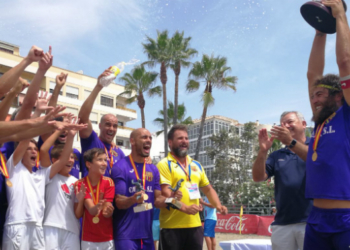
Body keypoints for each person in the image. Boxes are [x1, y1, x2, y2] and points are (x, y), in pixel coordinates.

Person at [304, 0, 350, 248]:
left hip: (346, 219)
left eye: (320, 94)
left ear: (338, 95)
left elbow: (345, 63)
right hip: (316, 218)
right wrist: (320, 27)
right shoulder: (320, 122)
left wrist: (340, 14)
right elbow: (313, 74)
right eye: (312, 95)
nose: (314, 99)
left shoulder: (346, 114)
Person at [1, 117, 85, 250]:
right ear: (22, 153)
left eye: (35, 149)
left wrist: (71, 136)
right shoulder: (14, 168)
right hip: (17, 225)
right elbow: (25, 140)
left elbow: (63, 160)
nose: (34, 151)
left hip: (38, 228)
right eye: (29, 149)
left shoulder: (42, 175)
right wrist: (39, 119)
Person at [157, 124, 227, 250]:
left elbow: (208, 189)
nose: (184, 141)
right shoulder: (164, 164)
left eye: (186, 138)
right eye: (180, 138)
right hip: (171, 228)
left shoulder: (196, 165)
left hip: (195, 227)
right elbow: (167, 195)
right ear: (170, 142)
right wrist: (185, 208)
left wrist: (218, 205)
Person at [112, 128, 185, 250]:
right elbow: (119, 202)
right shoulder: (120, 167)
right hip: (126, 236)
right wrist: (133, 199)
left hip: (147, 236)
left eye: (150, 138)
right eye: (144, 137)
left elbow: (157, 200)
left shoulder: (153, 169)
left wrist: (171, 198)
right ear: (132, 141)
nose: (148, 140)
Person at [252, 111, 312, 250]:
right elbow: (258, 177)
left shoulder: (316, 145)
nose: (285, 126)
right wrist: (262, 151)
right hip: (282, 224)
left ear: (303, 124)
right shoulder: (276, 155)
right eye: (282, 124)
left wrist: (292, 143)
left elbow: (317, 161)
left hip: (311, 222)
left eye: (290, 122)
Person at [40, 117, 83, 250]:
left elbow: (77, 213)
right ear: (54, 160)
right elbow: (42, 150)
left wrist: (80, 200)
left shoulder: (76, 182)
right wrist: (60, 131)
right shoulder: (49, 174)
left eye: (72, 157)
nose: (70, 160)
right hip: (50, 227)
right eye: (66, 157)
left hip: (72, 230)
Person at [78, 68, 125, 178]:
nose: (111, 129)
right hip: (91, 193)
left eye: (115, 126)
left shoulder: (119, 152)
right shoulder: (92, 140)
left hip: (110, 194)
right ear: (100, 126)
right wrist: (98, 86)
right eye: (108, 124)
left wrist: (146, 158)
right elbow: (82, 118)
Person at [75, 148, 115, 249]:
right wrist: (97, 207)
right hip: (88, 239)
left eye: (105, 160)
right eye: (100, 160)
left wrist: (108, 211)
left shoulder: (109, 182)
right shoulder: (80, 184)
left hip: (107, 237)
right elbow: (91, 210)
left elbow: (107, 209)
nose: (104, 163)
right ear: (89, 164)